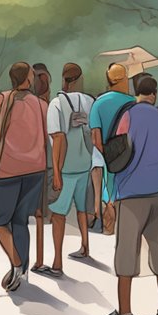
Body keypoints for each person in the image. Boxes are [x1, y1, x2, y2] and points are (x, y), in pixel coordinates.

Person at [0, 61, 50, 293]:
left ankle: (16, 264)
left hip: (7, 171)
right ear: (27, 79)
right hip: (35, 170)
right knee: (20, 221)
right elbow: (50, 136)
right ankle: (21, 268)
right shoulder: (42, 106)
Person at [104, 75, 158, 315]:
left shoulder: (128, 114)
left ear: (136, 91)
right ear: (155, 94)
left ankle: (124, 312)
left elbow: (118, 149)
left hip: (132, 190)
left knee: (127, 250)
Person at [45, 63, 95, 273]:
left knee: (58, 215)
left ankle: (57, 262)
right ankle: (85, 246)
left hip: (65, 168)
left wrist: (56, 172)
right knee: (82, 208)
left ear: (63, 79)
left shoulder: (56, 104)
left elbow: (57, 138)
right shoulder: (89, 101)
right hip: (85, 163)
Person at [90, 64, 135, 235]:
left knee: (106, 195)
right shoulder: (132, 102)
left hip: (106, 158)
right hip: (128, 156)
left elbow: (96, 137)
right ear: (124, 79)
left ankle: (108, 228)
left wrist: (107, 154)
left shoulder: (98, 103)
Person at [30, 63, 55, 276]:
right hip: (43, 163)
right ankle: (39, 260)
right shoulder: (46, 105)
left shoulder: (29, 104)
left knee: (39, 214)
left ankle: (38, 259)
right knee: (43, 214)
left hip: (30, 163)